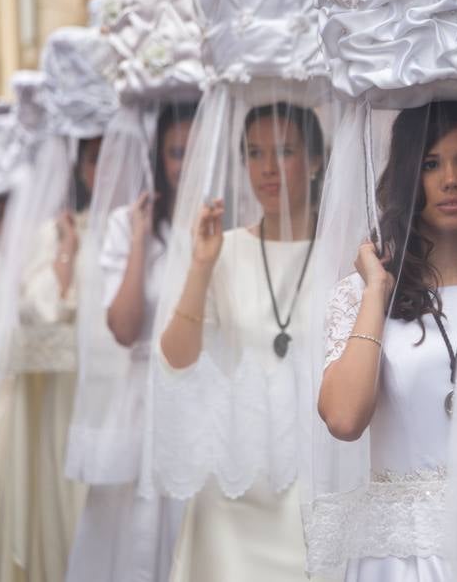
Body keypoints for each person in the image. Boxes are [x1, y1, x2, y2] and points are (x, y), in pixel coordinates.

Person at [316, 101, 457, 581]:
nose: (450, 180)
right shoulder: (365, 292)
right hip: (401, 559)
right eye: (430, 163)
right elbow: (342, 418)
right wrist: (377, 290)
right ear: (406, 175)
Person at [158, 102, 326, 580]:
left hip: (315, 476)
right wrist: (201, 265)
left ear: (315, 161)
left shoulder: (345, 251)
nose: (268, 169)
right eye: (254, 154)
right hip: (236, 482)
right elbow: (175, 359)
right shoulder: (225, 250)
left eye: (285, 151)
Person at [66, 102, 194, 582]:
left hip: (207, 392)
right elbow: (123, 327)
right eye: (176, 152)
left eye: (194, 150)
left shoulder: (229, 221)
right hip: (144, 395)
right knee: (137, 532)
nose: (185, 163)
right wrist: (141, 239)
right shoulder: (128, 223)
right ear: (159, 158)